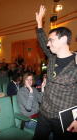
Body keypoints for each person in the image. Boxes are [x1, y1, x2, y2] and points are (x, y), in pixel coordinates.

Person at [33, 5, 77, 140]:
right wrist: (39, 23)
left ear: (64, 40)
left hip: (64, 117)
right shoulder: (52, 57)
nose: (48, 44)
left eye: (51, 40)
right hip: (45, 113)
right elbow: (41, 41)